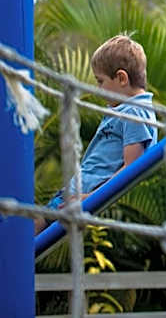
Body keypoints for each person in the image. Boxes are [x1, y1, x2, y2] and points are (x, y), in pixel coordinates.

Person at [36, 34, 158, 233]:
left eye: (100, 81)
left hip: (83, 193)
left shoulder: (135, 112)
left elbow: (131, 167)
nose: (97, 88)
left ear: (121, 78)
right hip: (78, 189)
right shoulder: (125, 109)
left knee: (20, 237)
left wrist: (87, 199)